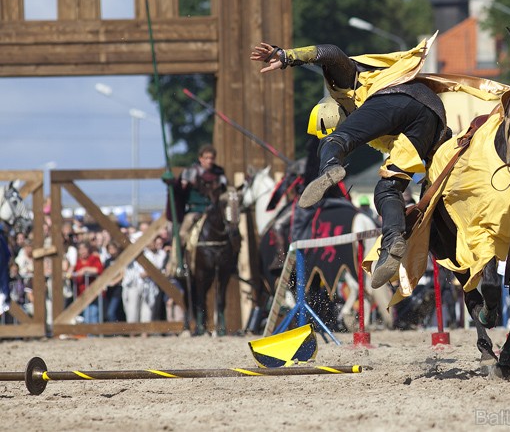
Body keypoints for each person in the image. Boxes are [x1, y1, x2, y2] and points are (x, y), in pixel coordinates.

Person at [251, 38, 448, 289]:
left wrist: (286, 56)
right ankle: (392, 242)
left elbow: (331, 51)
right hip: (432, 118)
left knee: (336, 141)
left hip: (397, 97)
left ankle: (331, 166)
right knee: (387, 188)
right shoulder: (381, 129)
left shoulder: (345, 86)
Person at [173, 144, 228, 250]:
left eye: (211, 158)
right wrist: (177, 184)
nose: (209, 161)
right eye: (206, 158)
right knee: (181, 235)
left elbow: (224, 191)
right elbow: (180, 190)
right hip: (195, 211)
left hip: (213, 212)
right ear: (200, 158)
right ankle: (174, 263)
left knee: (231, 232)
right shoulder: (190, 172)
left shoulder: (219, 174)